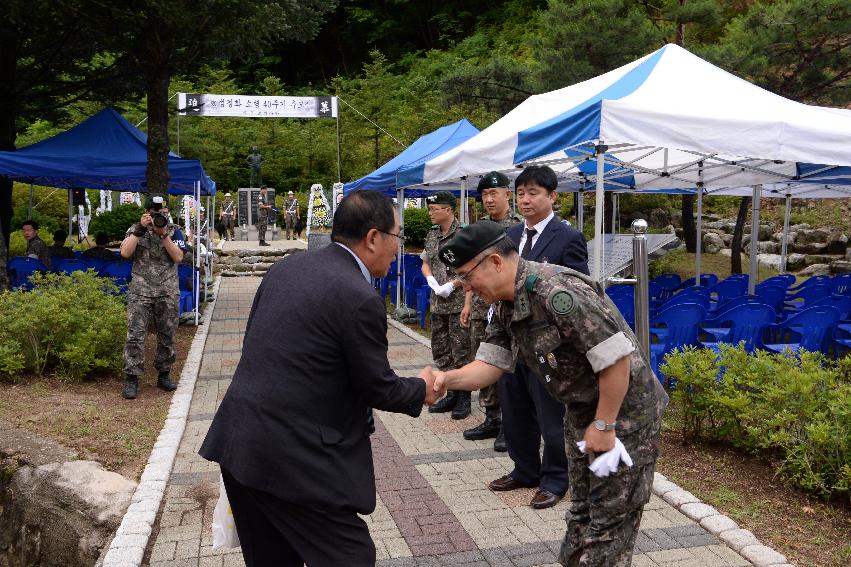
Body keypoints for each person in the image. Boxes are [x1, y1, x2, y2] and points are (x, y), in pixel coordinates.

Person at [199, 192, 439, 566]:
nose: (398, 248)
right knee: (352, 555)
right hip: (292, 459)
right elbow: (377, 386)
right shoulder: (359, 297)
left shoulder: (287, 267)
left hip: (240, 443)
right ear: (373, 238)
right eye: (397, 237)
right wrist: (422, 388)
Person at [432, 220, 667, 566]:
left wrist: (604, 425)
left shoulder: (557, 292)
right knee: (583, 508)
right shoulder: (505, 301)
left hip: (624, 414)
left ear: (495, 262)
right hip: (583, 410)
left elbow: (616, 359)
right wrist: (442, 380)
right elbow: (490, 365)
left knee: (610, 521)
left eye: (467, 275)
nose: (465, 286)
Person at [495, 165, 589, 509]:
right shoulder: (511, 236)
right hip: (513, 339)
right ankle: (524, 470)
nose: (525, 199)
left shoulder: (568, 238)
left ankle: (555, 478)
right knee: (515, 409)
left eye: (534, 193)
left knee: (551, 415)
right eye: (520, 193)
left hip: (549, 345)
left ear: (552, 196)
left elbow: (578, 291)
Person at [463, 171, 523, 451]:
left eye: (493, 193)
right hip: (480, 307)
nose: (488, 199)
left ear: (507, 195)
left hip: (508, 309)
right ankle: (491, 417)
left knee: (507, 365)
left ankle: (510, 424)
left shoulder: (519, 228)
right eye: (484, 194)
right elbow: (467, 271)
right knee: (484, 357)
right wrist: (466, 303)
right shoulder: (477, 228)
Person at [119, 194, 183, 400]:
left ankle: (164, 374)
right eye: (156, 213)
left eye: (164, 213)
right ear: (147, 213)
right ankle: (131, 378)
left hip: (167, 289)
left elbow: (179, 257)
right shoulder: (135, 230)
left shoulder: (174, 231)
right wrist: (139, 230)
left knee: (167, 334)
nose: (160, 216)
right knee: (135, 335)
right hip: (141, 290)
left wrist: (163, 234)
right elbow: (125, 253)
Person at [421, 191, 472, 419]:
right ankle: (451, 393)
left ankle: (464, 398)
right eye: (430, 209)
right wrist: (431, 279)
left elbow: (472, 269)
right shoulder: (432, 234)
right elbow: (425, 262)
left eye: (434, 209)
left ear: (448, 210)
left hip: (458, 302)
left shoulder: (463, 235)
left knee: (460, 351)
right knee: (441, 350)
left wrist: (453, 284)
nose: (431, 212)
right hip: (438, 302)